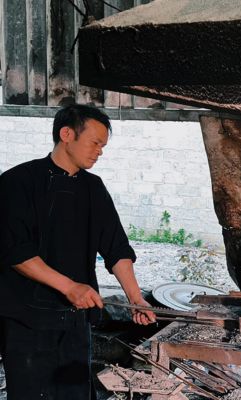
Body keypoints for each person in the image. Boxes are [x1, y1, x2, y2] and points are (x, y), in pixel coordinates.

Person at [0, 104, 156, 399]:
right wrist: (70, 287)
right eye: (94, 142)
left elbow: (117, 248)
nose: (99, 151)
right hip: (26, 321)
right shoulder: (17, 182)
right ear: (67, 134)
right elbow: (15, 251)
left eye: (103, 146)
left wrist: (136, 299)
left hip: (75, 321)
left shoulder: (93, 189)